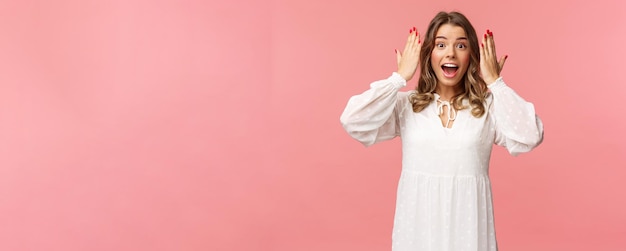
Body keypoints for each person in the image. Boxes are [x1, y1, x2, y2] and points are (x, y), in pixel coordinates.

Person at [340, 11, 544, 251]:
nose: (450, 53)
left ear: (471, 56)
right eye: (440, 44)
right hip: (417, 234)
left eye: (461, 45)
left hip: (469, 234)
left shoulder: (487, 108)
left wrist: (495, 83)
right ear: (428, 54)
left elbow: (531, 135)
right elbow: (353, 120)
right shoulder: (407, 106)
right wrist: (399, 78)